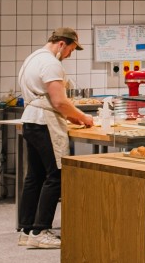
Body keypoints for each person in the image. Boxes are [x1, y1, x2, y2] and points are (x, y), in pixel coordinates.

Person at [16, 27, 94, 249]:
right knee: (57, 175)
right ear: (61, 44)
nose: (69, 54)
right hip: (45, 122)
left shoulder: (32, 58)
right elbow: (59, 101)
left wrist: (72, 116)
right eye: (71, 49)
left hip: (31, 120)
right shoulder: (51, 63)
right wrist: (83, 117)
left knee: (35, 176)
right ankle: (40, 231)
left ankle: (26, 230)